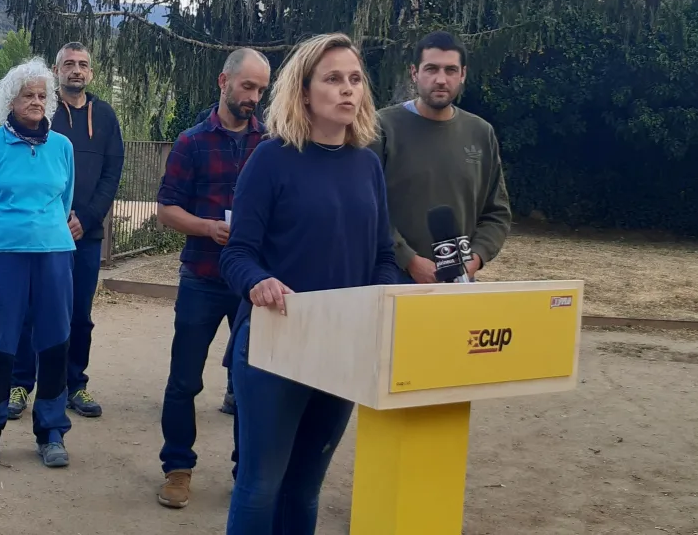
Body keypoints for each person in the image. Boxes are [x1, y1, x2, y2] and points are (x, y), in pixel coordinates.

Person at [219, 32, 400, 534]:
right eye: (333, 79)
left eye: (355, 80)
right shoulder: (272, 159)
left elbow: (383, 256)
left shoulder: (367, 164)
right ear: (303, 92)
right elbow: (237, 255)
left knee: (304, 489)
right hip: (275, 348)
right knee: (260, 487)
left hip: (343, 350)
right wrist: (258, 282)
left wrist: (380, 299)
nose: (348, 90)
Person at [154, 47, 270, 509]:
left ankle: (248, 473)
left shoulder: (274, 143)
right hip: (202, 276)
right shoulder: (192, 142)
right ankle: (177, 469)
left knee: (254, 384)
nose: (254, 98)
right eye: (247, 87)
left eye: (261, 90)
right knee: (184, 381)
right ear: (224, 82)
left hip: (253, 285)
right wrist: (207, 228)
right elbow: (166, 210)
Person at [0, 58, 76, 470]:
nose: (36, 102)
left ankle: (51, 432)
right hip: (3, 254)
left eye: (42, 96)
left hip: (54, 254)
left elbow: (64, 203)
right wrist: (0, 239)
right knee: (0, 344)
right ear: (10, 100)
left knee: (55, 342)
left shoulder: (62, 147)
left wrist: (44, 232)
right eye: (28, 95)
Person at [9, 41, 124, 421]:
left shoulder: (105, 117)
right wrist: (55, 219)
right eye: (69, 64)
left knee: (79, 314)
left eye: (83, 64)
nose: (76, 70)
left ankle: (74, 383)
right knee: (29, 310)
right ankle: (20, 383)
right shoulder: (43, 112)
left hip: (85, 234)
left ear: (91, 73)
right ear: (57, 70)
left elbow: (112, 174)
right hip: (43, 234)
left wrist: (88, 218)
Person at [372, 31, 511, 283]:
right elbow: (367, 206)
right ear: (414, 73)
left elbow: (497, 213)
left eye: (450, 70)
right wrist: (409, 259)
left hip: (458, 282)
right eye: (431, 69)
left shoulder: (481, 133)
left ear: (463, 74)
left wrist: (476, 258)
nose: (440, 79)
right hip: (393, 276)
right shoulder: (382, 127)